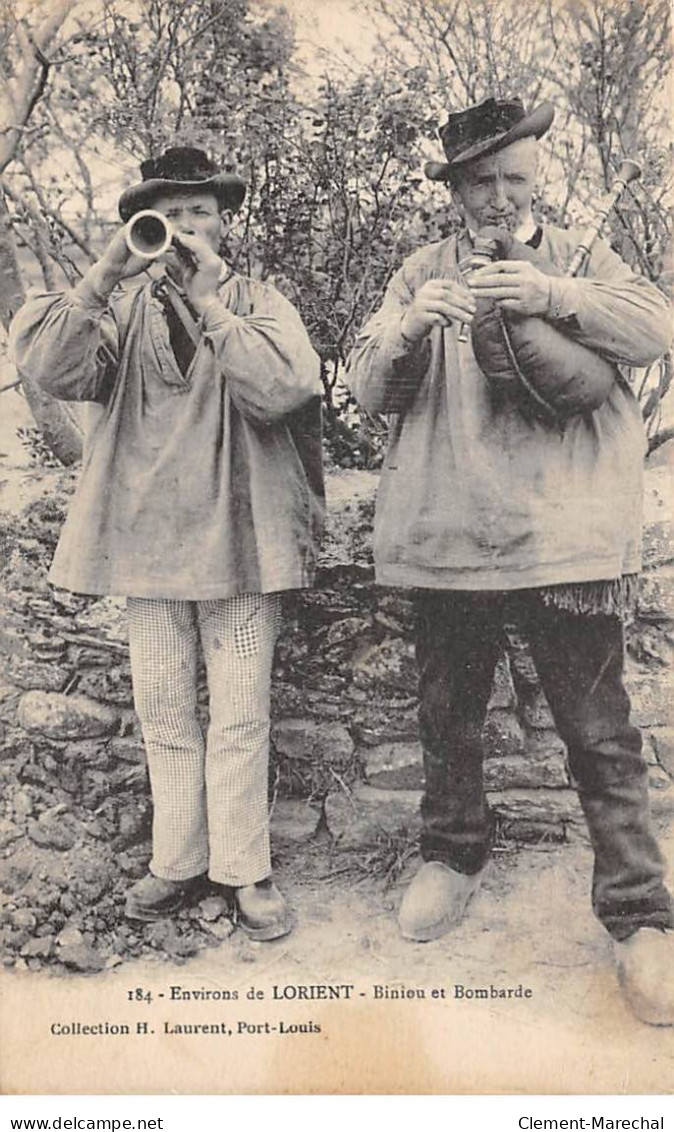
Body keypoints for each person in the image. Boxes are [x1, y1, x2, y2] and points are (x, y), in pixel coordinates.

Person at [346, 98, 674, 1025]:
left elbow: (657, 328)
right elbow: (370, 386)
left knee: (600, 733)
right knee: (448, 715)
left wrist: (550, 294)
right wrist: (411, 323)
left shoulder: (580, 260)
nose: (500, 196)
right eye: (481, 180)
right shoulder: (419, 270)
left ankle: (640, 914)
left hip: (564, 535)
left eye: (515, 177)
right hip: (451, 536)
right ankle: (452, 858)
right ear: (454, 191)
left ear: (538, 178)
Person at [10, 146, 325, 940]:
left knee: (243, 717)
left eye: (200, 213)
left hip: (242, 539)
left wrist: (212, 305)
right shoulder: (114, 309)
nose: (187, 229)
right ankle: (176, 864)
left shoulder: (256, 299)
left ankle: (246, 873)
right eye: (169, 216)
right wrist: (104, 273)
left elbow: (289, 384)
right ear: (144, 228)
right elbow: (50, 369)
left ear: (224, 223)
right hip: (145, 545)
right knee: (163, 713)